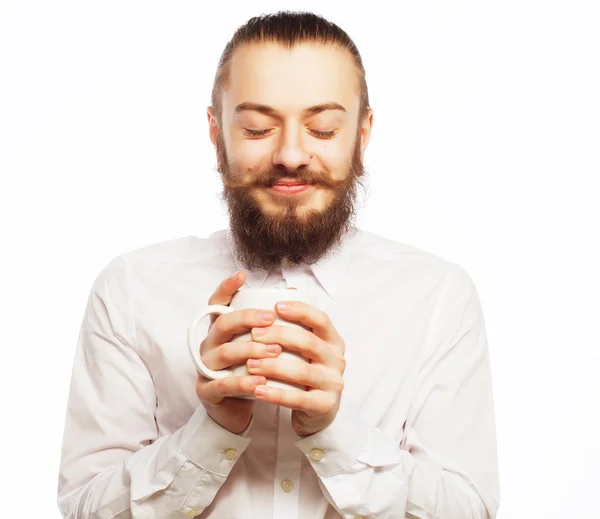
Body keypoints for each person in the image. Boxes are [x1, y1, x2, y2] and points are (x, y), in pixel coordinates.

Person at [57, 10, 500, 519]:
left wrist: (333, 431)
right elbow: (84, 509)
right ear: (215, 131)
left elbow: (470, 510)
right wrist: (213, 429)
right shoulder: (131, 289)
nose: (291, 154)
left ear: (363, 132)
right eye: (258, 127)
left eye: (323, 128)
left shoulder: (437, 295)